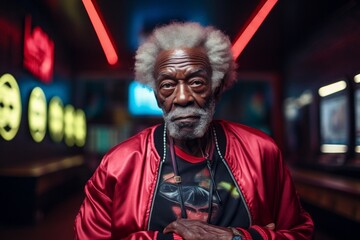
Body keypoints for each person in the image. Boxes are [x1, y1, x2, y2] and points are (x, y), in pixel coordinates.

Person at [74, 22, 314, 240]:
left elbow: (300, 234)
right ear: (157, 96)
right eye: (167, 85)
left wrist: (235, 237)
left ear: (217, 88)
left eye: (196, 82)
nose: (182, 98)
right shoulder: (118, 165)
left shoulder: (262, 153)